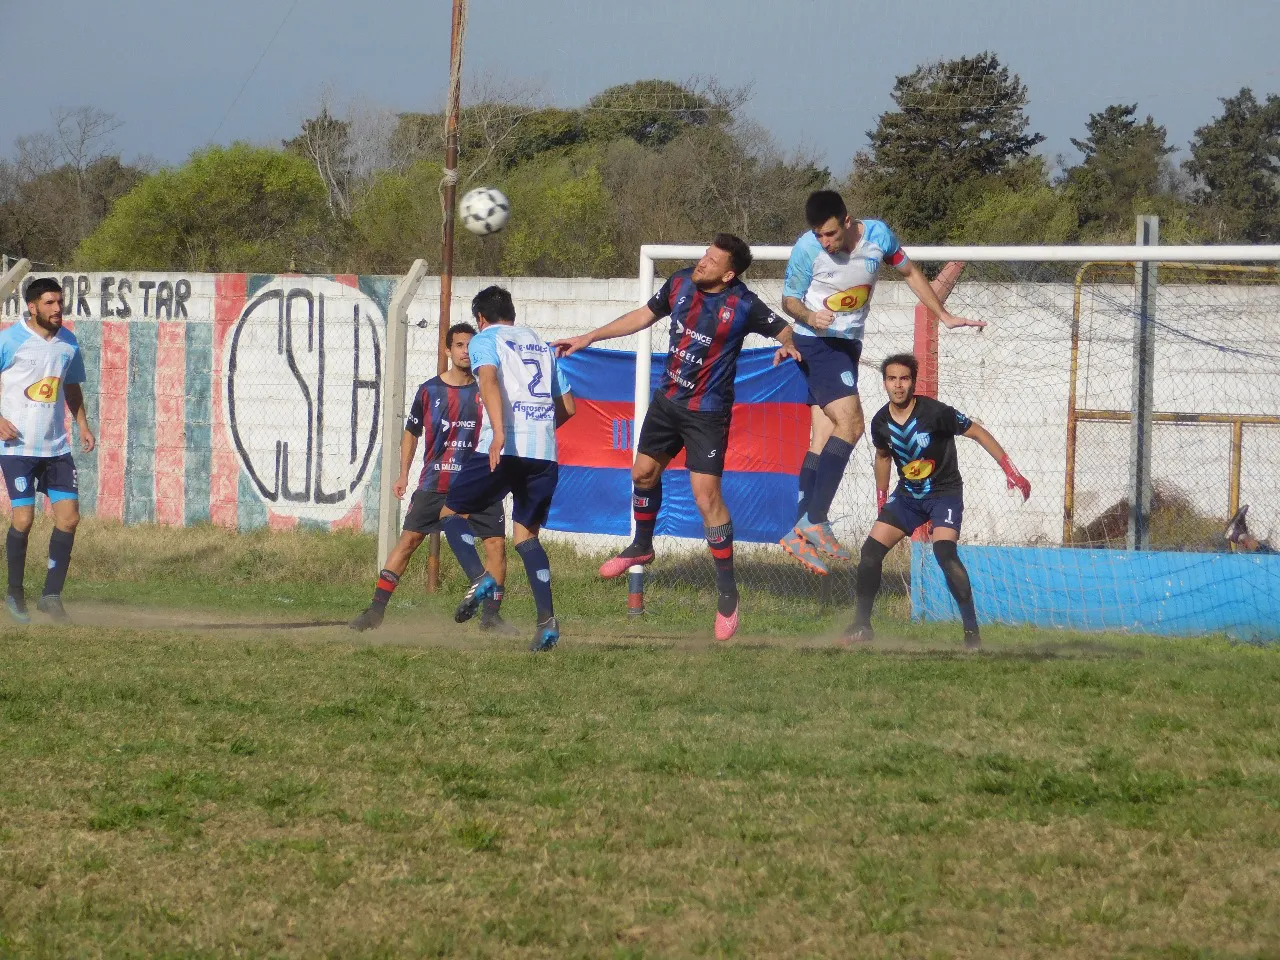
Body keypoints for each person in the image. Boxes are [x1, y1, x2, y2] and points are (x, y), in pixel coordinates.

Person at [554, 233, 801, 641]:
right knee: (642, 473)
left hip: (707, 414)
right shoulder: (681, 281)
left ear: (729, 274)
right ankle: (642, 545)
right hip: (667, 402)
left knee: (706, 498)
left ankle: (727, 593)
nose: (702, 262)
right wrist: (589, 337)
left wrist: (788, 344)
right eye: (705, 254)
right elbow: (643, 315)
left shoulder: (744, 304)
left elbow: (785, 330)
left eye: (712, 260)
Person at [778, 190, 985, 575]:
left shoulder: (878, 236)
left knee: (822, 437)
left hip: (847, 345)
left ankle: (798, 531)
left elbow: (909, 272)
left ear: (847, 220)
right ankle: (815, 519)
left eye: (830, 233)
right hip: (818, 342)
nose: (825, 242)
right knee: (852, 424)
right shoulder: (807, 248)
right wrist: (808, 316)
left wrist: (943, 315)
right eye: (819, 235)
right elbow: (788, 300)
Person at [845, 353, 1031, 650]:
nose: (898, 385)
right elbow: (883, 457)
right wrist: (882, 501)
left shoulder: (935, 413)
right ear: (884, 383)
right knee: (869, 553)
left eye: (904, 379)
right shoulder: (880, 422)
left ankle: (972, 635)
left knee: (944, 553)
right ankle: (862, 626)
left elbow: (977, 432)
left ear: (913, 382)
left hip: (944, 494)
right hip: (908, 497)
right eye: (892, 379)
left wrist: (1011, 471)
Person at [349, 323, 511, 632]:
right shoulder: (429, 390)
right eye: (459, 345)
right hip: (436, 483)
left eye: (471, 346)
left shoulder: (487, 389)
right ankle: (375, 611)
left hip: (479, 483)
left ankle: (490, 618)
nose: (466, 351)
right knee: (408, 542)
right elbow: (411, 432)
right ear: (448, 350)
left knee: (495, 546)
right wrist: (403, 474)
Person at [440, 286, 575, 652]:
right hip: (543, 453)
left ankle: (480, 578)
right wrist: (540, 429)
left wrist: (500, 432)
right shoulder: (541, 345)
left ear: (481, 318)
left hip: (504, 447)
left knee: (451, 513)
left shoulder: (486, 340)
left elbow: (487, 379)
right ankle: (546, 622)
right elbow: (569, 406)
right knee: (526, 538)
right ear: (512, 314)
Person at [0, 277, 95, 624]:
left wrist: (83, 425)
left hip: (56, 447)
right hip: (17, 448)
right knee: (23, 519)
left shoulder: (68, 342)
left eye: (60, 302)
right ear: (32, 306)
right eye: (50, 303)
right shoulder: (9, 340)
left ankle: (51, 596)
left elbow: (71, 387)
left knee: (69, 518)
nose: (58, 309)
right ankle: (14, 592)